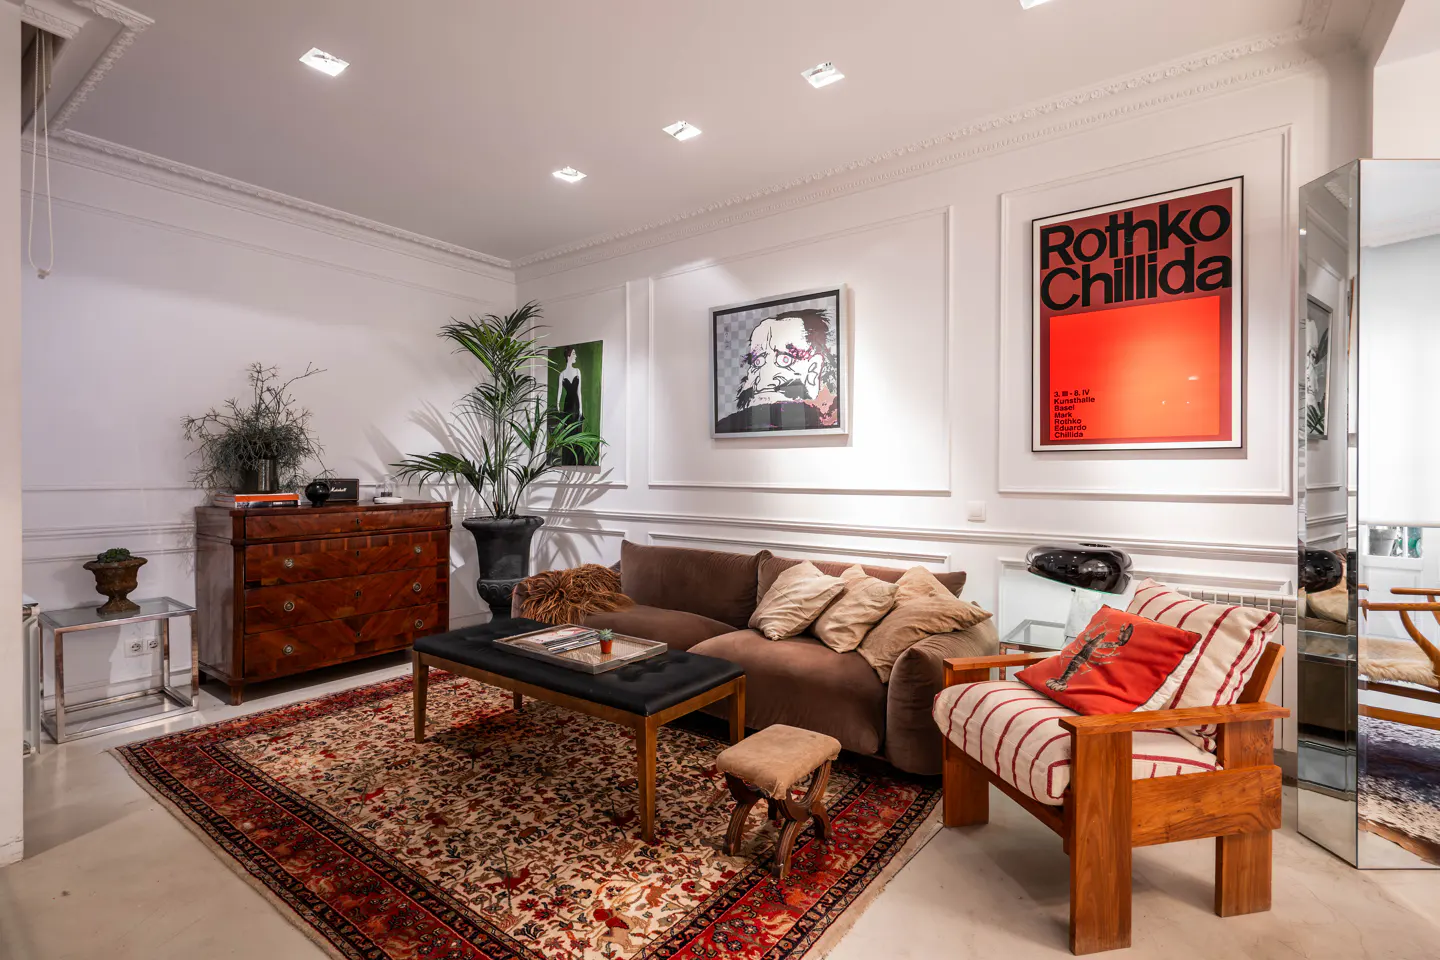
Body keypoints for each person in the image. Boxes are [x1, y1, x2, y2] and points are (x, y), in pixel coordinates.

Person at [714, 308, 839, 434]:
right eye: (757, 362)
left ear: (813, 370)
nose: (764, 379)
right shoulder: (730, 425)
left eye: (785, 359)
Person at [556, 346, 587, 465]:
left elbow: (579, 392)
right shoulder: (562, 374)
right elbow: (559, 392)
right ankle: (568, 460)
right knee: (568, 433)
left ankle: (578, 461)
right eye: (574, 354)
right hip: (567, 406)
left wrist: (581, 410)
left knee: (577, 432)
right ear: (568, 356)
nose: (576, 356)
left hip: (576, 405)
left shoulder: (577, 371)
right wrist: (558, 406)